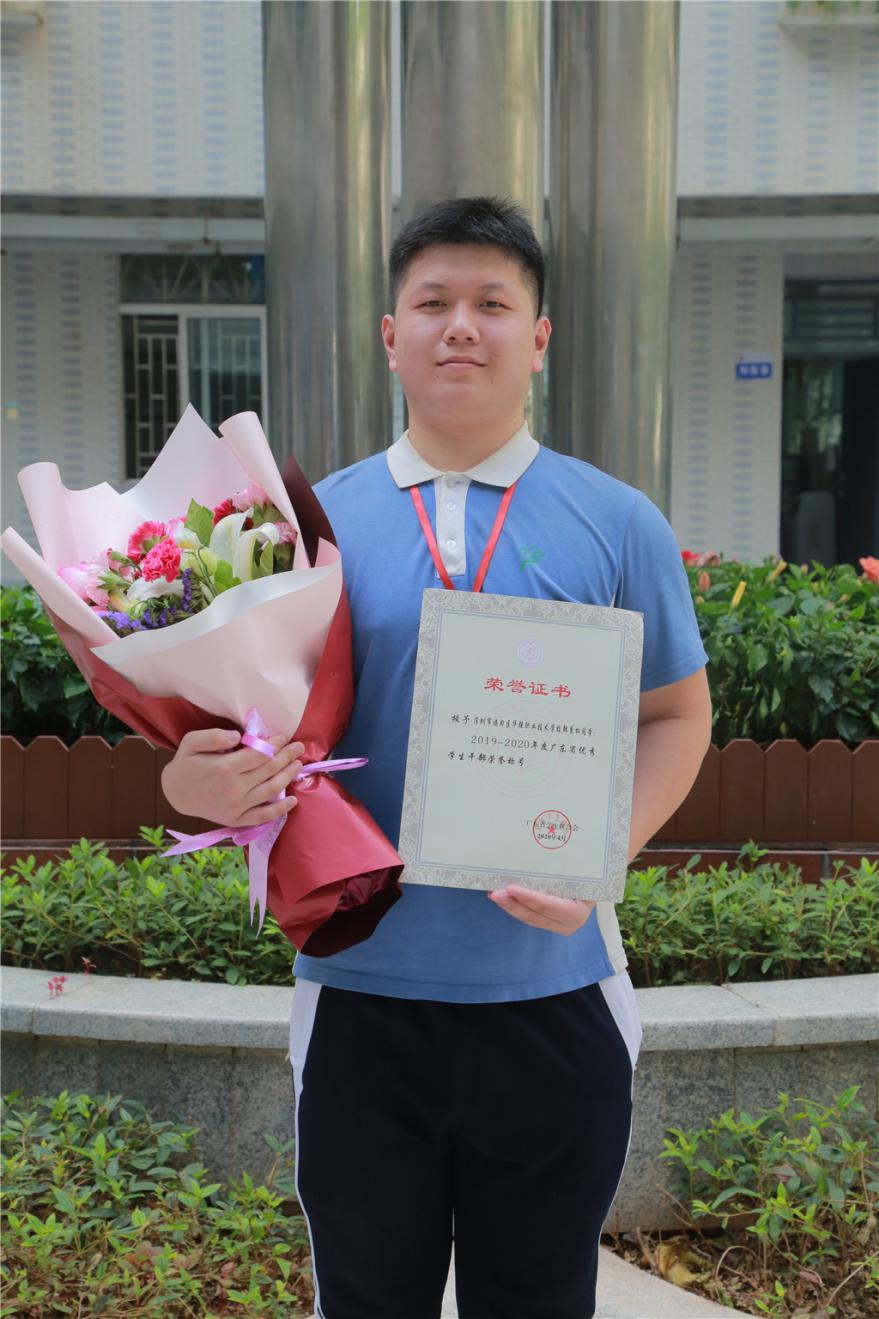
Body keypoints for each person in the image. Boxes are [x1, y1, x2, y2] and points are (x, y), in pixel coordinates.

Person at [163, 196, 712, 1319]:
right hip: (360, 994)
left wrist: (602, 852)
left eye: (492, 303)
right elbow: (216, 734)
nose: (461, 325)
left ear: (538, 337)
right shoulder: (302, 531)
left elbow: (675, 715)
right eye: (433, 302)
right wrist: (195, 784)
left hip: (553, 991)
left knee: (539, 1299)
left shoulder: (619, 522)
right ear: (390, 334)